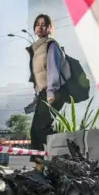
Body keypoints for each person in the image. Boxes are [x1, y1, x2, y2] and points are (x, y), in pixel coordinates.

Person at [27, 14, 70, 170]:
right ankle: (40, 166)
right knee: (35, 130)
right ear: (34, 29)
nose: (41, 27)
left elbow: (53, 70)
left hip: (54, 91)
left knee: (42, 128)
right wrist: (37, 95)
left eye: (44, 25)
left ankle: (62, 157)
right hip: (44, 92)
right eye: (38, 24)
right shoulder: (37, 48)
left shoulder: (51, 45)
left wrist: (50, 92)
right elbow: (39, 75)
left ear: (50, 28)